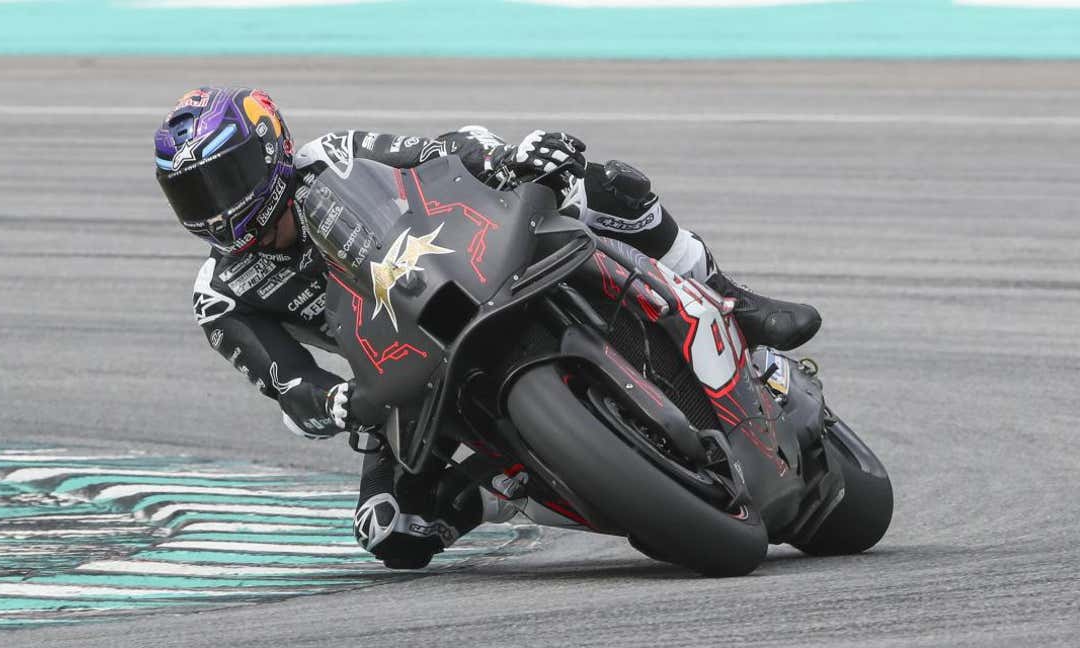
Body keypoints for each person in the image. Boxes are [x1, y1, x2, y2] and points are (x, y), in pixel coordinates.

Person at [154, 87, 820, 569]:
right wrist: (329, 402)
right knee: (394, 535)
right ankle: (513, 487)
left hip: (470, 262)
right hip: (399, 372)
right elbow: (287, 379)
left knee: (602, 181)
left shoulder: (334, 156)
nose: (218, 208)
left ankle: (724, 294)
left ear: (269, 148)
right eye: (196, 196)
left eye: (225, 178)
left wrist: (509, 160)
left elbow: (436, 153)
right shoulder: (220, 294)